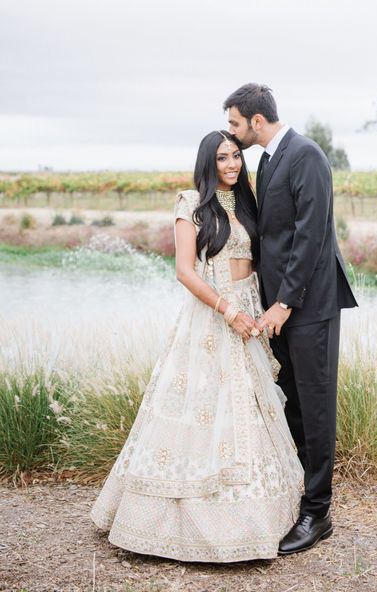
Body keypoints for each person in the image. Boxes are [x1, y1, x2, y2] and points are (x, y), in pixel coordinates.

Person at [90, 130, 304, 562]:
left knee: (251, 405)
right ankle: (176, 521)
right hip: (213, 314)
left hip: (250, 310)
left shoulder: (247, 204)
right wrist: (229, 310)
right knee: (203, 406)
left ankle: (260, 517)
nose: (231, 165)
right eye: (223, 158)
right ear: (208, 162)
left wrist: (264, 309)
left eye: (236, 157)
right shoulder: (192, 203)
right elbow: (185, 272)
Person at [224, 84, 358, 555]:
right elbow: (275, 234)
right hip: (282, 305)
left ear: (257, 122)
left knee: (316, 405)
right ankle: (298, 495)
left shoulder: (307, 156)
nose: (232, 131)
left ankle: (318, 513)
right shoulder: (268, 159)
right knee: (295, 401)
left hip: (311, 304)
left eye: (235, 123)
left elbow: (311, 235)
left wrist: (284, 302)